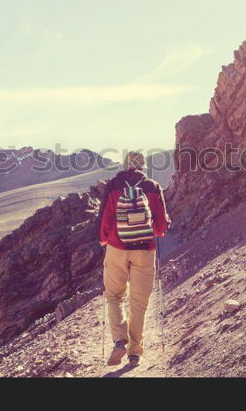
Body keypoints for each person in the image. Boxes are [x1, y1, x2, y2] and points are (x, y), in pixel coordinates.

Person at [97, 151, 170, 367]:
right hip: (144, 250)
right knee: (139, 302)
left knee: (114, 296)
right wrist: (157, 229)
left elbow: (104, 218)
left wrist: (104, 241)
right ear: (142, 166)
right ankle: (134, 353)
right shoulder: (153, 186)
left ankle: (119, 340)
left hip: (117, 247)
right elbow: (161, 226)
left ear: (125, 164)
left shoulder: (113, 184)